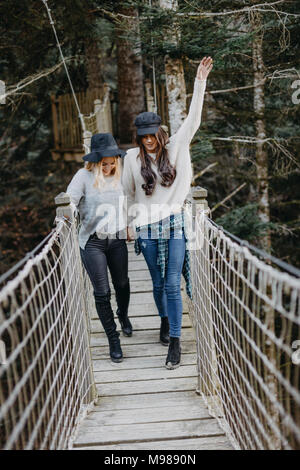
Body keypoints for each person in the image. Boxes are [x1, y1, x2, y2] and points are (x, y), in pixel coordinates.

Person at [122, 56, 213, 369]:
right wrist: (129, 225)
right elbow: (128, 194)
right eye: (143, 136)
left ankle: (174, 341)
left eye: (152, 135)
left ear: (160, 133)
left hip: (174, 222)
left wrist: (199, 80)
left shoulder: (177, 146)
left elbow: (194, 119)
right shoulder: (132, 159)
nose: (148, 140)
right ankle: (164, 319)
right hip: (146, 228)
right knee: (158, 284)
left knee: (173, 283)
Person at [66, 133, 133, 363]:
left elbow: (130, 202)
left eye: (112, 162)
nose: (108, 166)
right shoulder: (83, 176)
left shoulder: (120, 176)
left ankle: (123, 315)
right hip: (92, 241)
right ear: (94, 161)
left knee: (122, 283)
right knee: (102, 292)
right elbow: (70, 200)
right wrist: (66, 215)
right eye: (103, 163)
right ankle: (113, 339)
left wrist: (130, 226)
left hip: (116, 238)